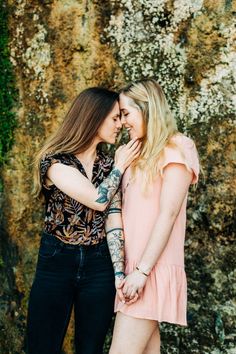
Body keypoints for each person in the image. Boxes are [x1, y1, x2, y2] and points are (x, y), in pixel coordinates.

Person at [26, 87, 141, 354]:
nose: (120, 124)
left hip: (99, 264)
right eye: (114, 118)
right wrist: (121, 167)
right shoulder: (54, 162)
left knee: (91, 348)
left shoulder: (106, 165)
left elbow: (113, 216)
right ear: (94, 117)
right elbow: (98, 199)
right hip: (57, 261)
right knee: (43, 345)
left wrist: (118, 272)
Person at [109, 79, 200, 354]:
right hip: (132, 273)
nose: (123, 122)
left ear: (147, 109)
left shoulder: (177, 147)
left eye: (127, 113)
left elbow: (168, 214)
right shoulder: (131, 154)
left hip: (150, 270)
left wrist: (142, 271)